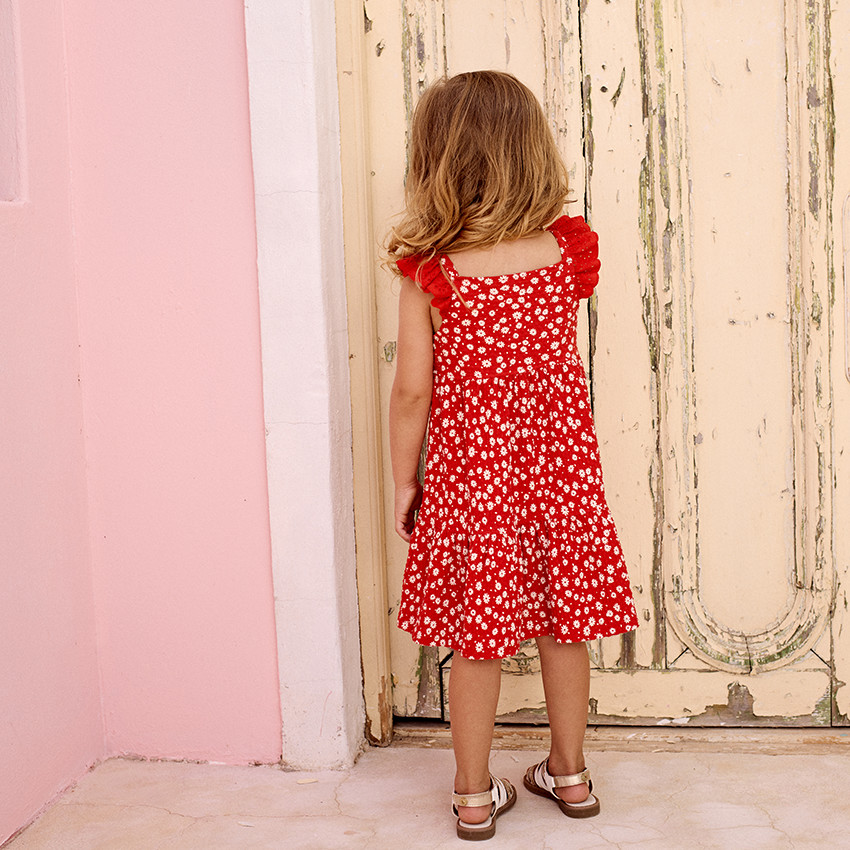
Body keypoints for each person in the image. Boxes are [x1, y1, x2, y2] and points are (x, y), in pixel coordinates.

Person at [386, 70, 639, 841]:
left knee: (479, 633)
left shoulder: (434, 271)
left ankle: (471, 795)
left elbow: (410, 395)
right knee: (568, 623)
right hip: (560, 474)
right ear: (532, 152)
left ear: (436, 159)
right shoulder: (565, 251)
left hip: (474, 481)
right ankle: (569, 773)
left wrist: (406, 480)